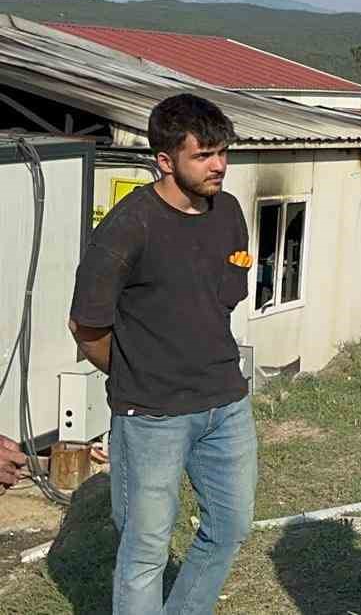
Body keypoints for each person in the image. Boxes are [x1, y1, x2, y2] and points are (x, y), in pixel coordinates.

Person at [67, 93, 256, 614]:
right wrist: (138, 372)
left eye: (222, 152)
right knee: (145, 548)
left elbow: (222, 299)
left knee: (230, 527)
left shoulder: (229, 212)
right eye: (204, 155)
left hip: (225, 403)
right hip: (151, 414)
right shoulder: (128, 228)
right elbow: (86, 326)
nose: (219, 165)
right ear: (166, 160)